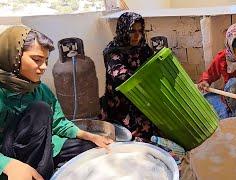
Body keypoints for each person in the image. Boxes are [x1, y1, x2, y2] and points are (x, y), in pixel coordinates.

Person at [0, 25, 113, 180]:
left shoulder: (40, 89)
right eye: (36, 60)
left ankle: (39, 170)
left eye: (46, 60)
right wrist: (7, 164)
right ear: (14, 56)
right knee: (40, 110)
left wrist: (89, 136)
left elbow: (58, 122)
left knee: (92, 148)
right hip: (8, 156)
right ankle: (33, 173)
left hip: (38, 147)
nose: (44, 67)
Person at [100, 12, 160, 142]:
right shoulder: (112, 51)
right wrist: (143, 79)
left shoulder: (143, 48)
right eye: (132, 31)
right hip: (120, 105)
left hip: (142, 100)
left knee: (157, 129)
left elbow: (154, 66)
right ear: (123, 30)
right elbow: (119, 74)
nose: (137, 36)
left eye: (140, 31)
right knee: (131, 138)